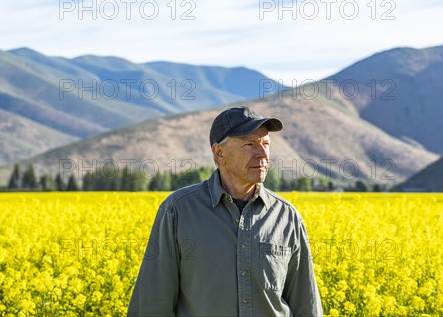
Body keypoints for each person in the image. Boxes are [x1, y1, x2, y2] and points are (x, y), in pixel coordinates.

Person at [128, 106, 323, 317]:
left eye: (266, 144)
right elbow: (152, 303)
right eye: (250, 144)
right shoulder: (179, 211)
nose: (263, 153)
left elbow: (307, 306)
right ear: (219, 153)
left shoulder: (287, 218)